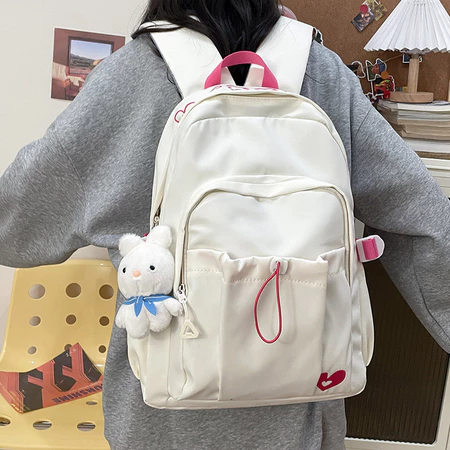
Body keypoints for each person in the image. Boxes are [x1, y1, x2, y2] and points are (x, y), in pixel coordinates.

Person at [1, 1, 449, 449]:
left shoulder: (129, 76)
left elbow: (14, 228)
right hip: (299, 416)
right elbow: (426, 220)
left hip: (162, 421)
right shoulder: (320, 73)